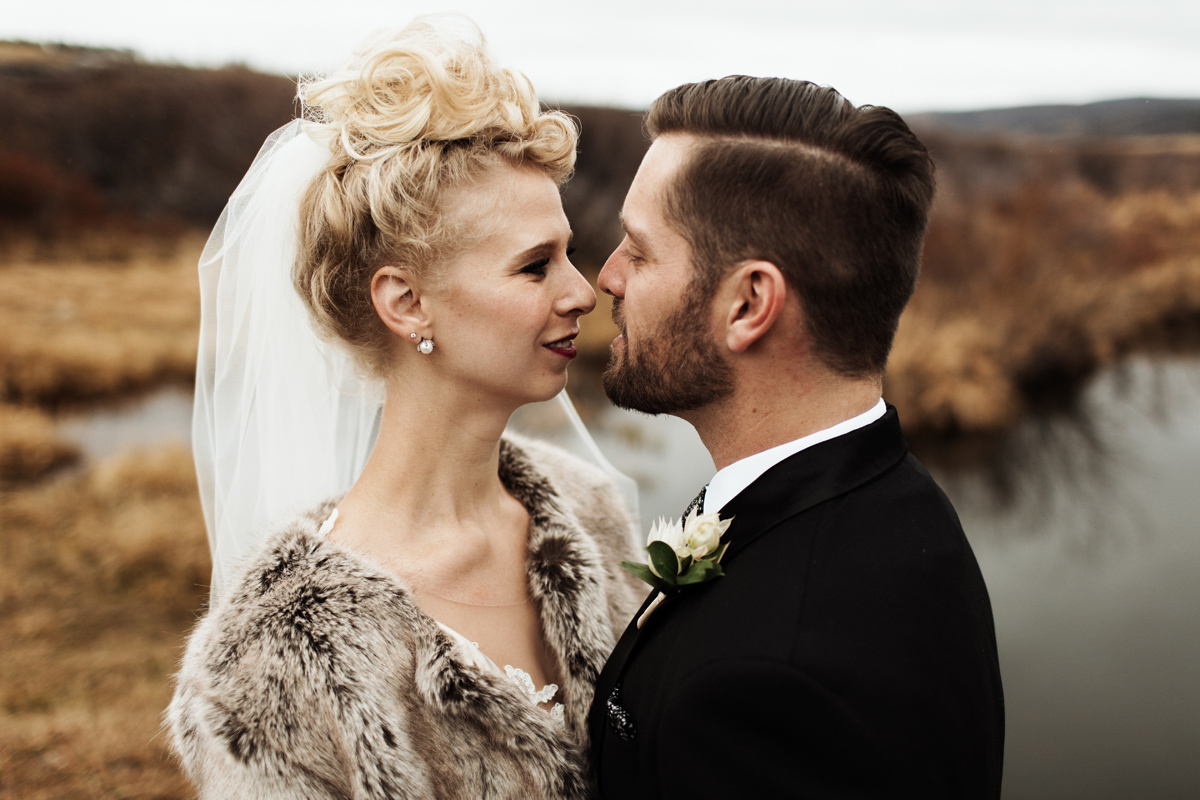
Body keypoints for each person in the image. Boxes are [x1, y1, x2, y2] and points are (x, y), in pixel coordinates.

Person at [168, 18, 641, 799]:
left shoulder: (589, 514)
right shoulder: (264, 664)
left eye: (567, 254)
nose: (582, 292)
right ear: (407, 303)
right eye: (534, 267)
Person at [588, 77, 1005, 798]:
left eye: (640, 250)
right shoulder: (894, 501)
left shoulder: (765, 691)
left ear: (749, 303)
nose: (607, 277)